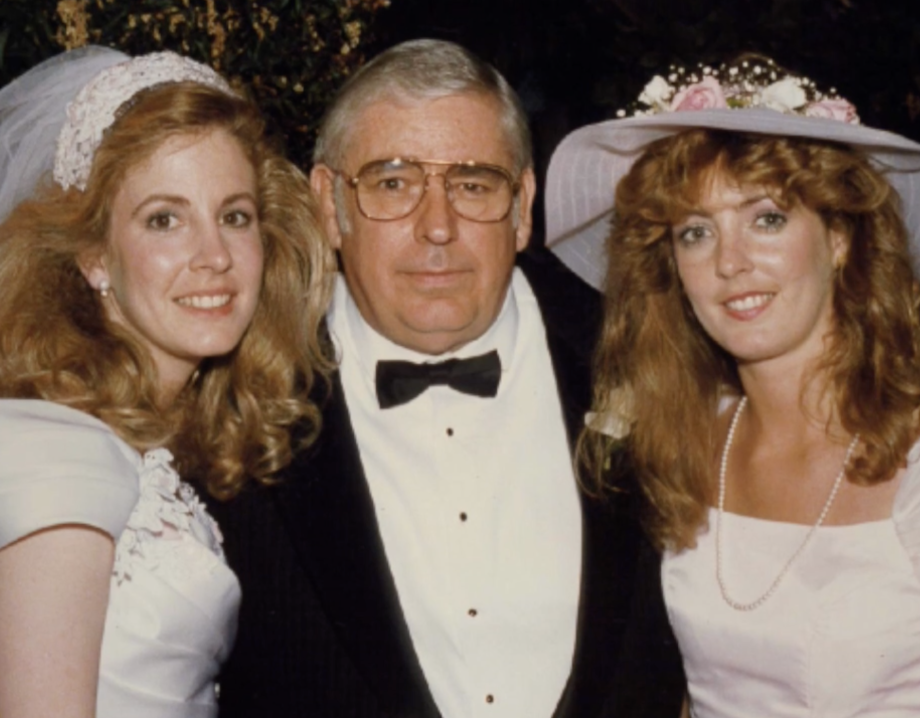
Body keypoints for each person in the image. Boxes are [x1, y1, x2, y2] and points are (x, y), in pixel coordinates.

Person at [545, 56, 920, 717]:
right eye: (696, 233)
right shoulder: (690, 445)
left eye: (767, 219)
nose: (730, 262)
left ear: (839, 237)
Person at [205, 38, 686, 717]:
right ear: (328, 202)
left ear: (522, 205)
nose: (437, 227)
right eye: (393, 183)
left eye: (472, 184)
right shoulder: (228, 392)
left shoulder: (649, 354)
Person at [0, 46, 333, 716]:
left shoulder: (122, 441)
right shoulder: (58, 447)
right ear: (95, 258)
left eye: (234, 215)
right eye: (164, 219)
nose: (214, 256)